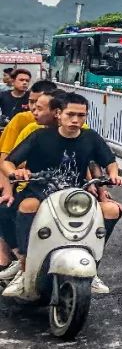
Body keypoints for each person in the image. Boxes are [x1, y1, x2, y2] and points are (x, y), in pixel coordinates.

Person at [1, 92, 122, 298]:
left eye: (81, 115)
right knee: (27, 206)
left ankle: (93, 266)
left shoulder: (91, 137)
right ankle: (24, 267)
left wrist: (113, 175)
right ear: (59, 114)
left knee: (111, 210)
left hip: (76, 197)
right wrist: (16, 173)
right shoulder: (40, 136)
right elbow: (8, 161)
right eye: (70, 114)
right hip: (40, 192)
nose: (76, 120)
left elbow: (110, 162)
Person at [0, 79, 58, 282]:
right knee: (7, 209)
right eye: (32, 103)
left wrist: (100, 187)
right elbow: (7, 158)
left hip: (67, 191)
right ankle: (18, 259)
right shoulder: (27, 127)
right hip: (29, 185)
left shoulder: (79, 130)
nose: (33, 109)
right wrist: (7, 188)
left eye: (38, 105)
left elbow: (87, 161)